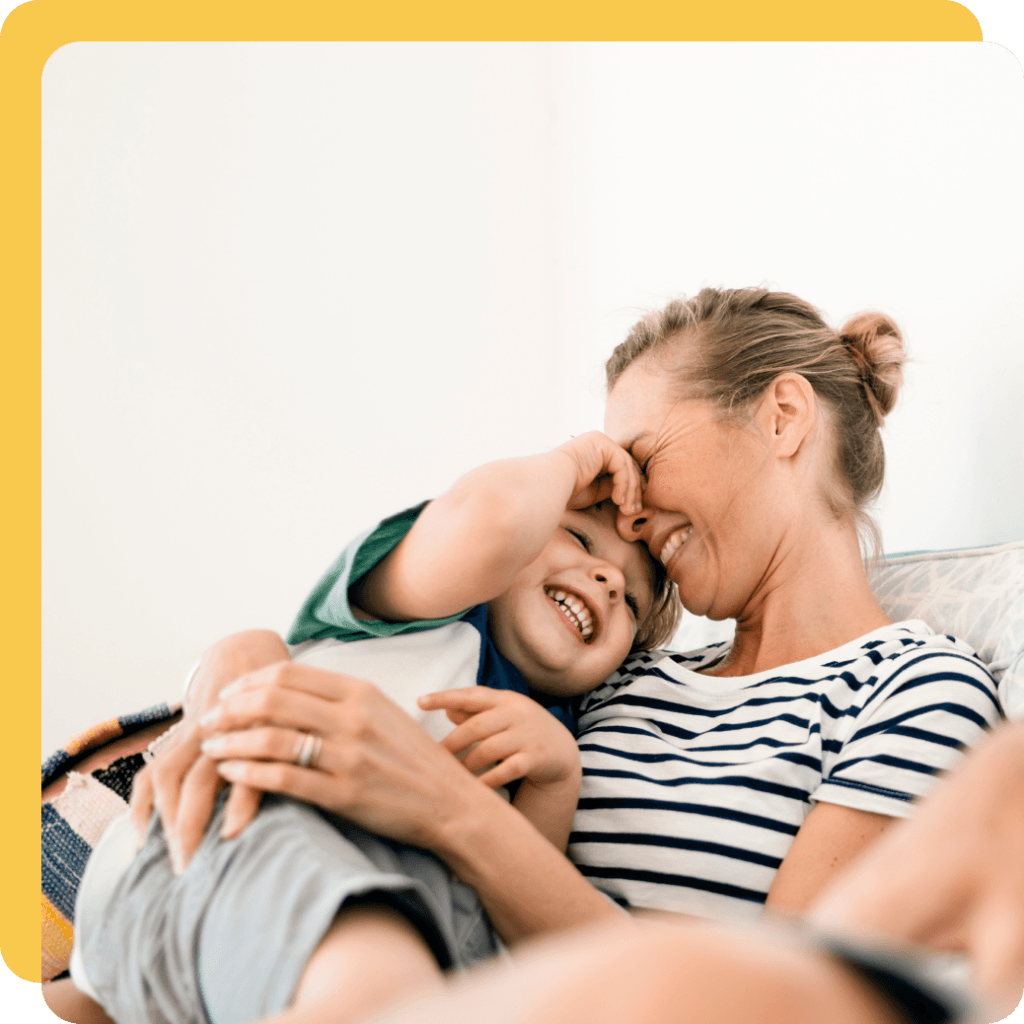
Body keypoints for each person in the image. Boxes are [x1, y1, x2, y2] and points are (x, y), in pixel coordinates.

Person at [44, 287, 1005, 1023]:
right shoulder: (615, 675)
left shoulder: (915, 689)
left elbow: (788, 996)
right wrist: (232, 665)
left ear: (783, 417)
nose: (630, 514)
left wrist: (447, 808)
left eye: (642, 457)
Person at [63, 433, 681, 1024]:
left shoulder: (558, 732)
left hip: (363, 937)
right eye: (579, 537)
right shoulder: (412, 608)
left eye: (631, 602)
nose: (610, 581)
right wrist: (570, 461)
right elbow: (490, 521)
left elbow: (514, 893)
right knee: (385, 996)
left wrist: (555, 778)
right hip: (246, 840)